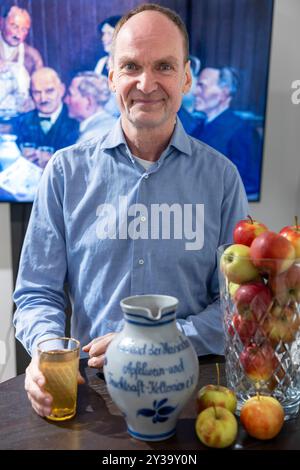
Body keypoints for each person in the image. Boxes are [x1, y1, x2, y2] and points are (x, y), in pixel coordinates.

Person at [13, 3, 248, 418]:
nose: (146, 82)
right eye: (131, 66)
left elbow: (233, 306)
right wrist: (48, 353)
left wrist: (157, 339)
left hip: (193, 398)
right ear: (111, 77)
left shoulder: (222, 178)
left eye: (164, 66)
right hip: (89, 397)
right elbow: (37, 294)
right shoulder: (65, 172)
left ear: (186, 76)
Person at [192, 67, 263, 199]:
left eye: (202, 86)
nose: (195, 92)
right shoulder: (197, 129)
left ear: (224, 93)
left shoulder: (242, 131)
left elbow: (250, 183)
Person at [16, 67, 79, 160]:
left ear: (61, 90)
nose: (43, 98)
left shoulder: (76, 120)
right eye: (37, 92)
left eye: (49, 91)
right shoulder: (21, 121)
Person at [0, 6, 43, 113]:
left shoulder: (32, 56)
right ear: (1, 23)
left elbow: (41, 89)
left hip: (20, 119)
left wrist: (32, 103)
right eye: (14, 27)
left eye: (24, 29)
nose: (18, 34)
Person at [64, 71, 116, 143]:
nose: (65, 100)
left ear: (89, 102)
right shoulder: (113, 123)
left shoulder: (90, 137)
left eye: (70, 94)